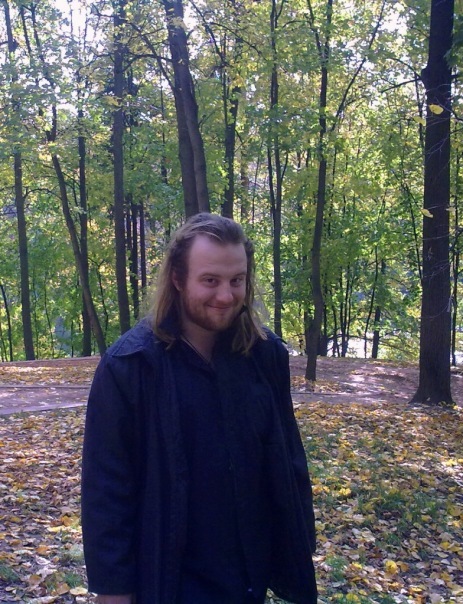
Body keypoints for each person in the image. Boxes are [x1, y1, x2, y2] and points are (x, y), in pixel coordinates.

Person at [81, 212, 317, 604]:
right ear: (177, 278)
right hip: (169, 579)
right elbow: (106, 489)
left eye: (236, 280)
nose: (226, 296)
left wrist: (298, 543)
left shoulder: (264, 355)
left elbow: (288, 456)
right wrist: (113, 589)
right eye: (210, 280)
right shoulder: (130, 366)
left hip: (247, 578)